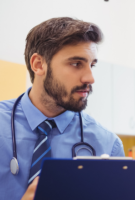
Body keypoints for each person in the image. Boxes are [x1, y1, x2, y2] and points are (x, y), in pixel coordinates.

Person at [0, 17, 124, 200]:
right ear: (38, 64)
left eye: (92, 65)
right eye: (76, 64)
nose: (90, 78)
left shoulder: (107, 146)